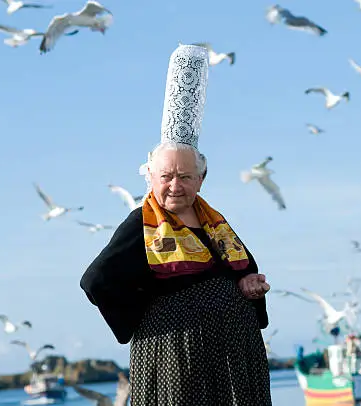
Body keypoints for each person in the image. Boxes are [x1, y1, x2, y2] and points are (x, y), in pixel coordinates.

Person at [80, 43, 273, 405]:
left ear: (202, 179)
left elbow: (241, 271)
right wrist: (152, 315)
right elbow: (96, 281)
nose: (175, 185)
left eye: (185, 176)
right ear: (149, 176)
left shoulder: (214, 222)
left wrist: (247, 286)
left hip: (235, 353)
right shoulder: (140, 224)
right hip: (179, 356)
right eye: (166, 175)